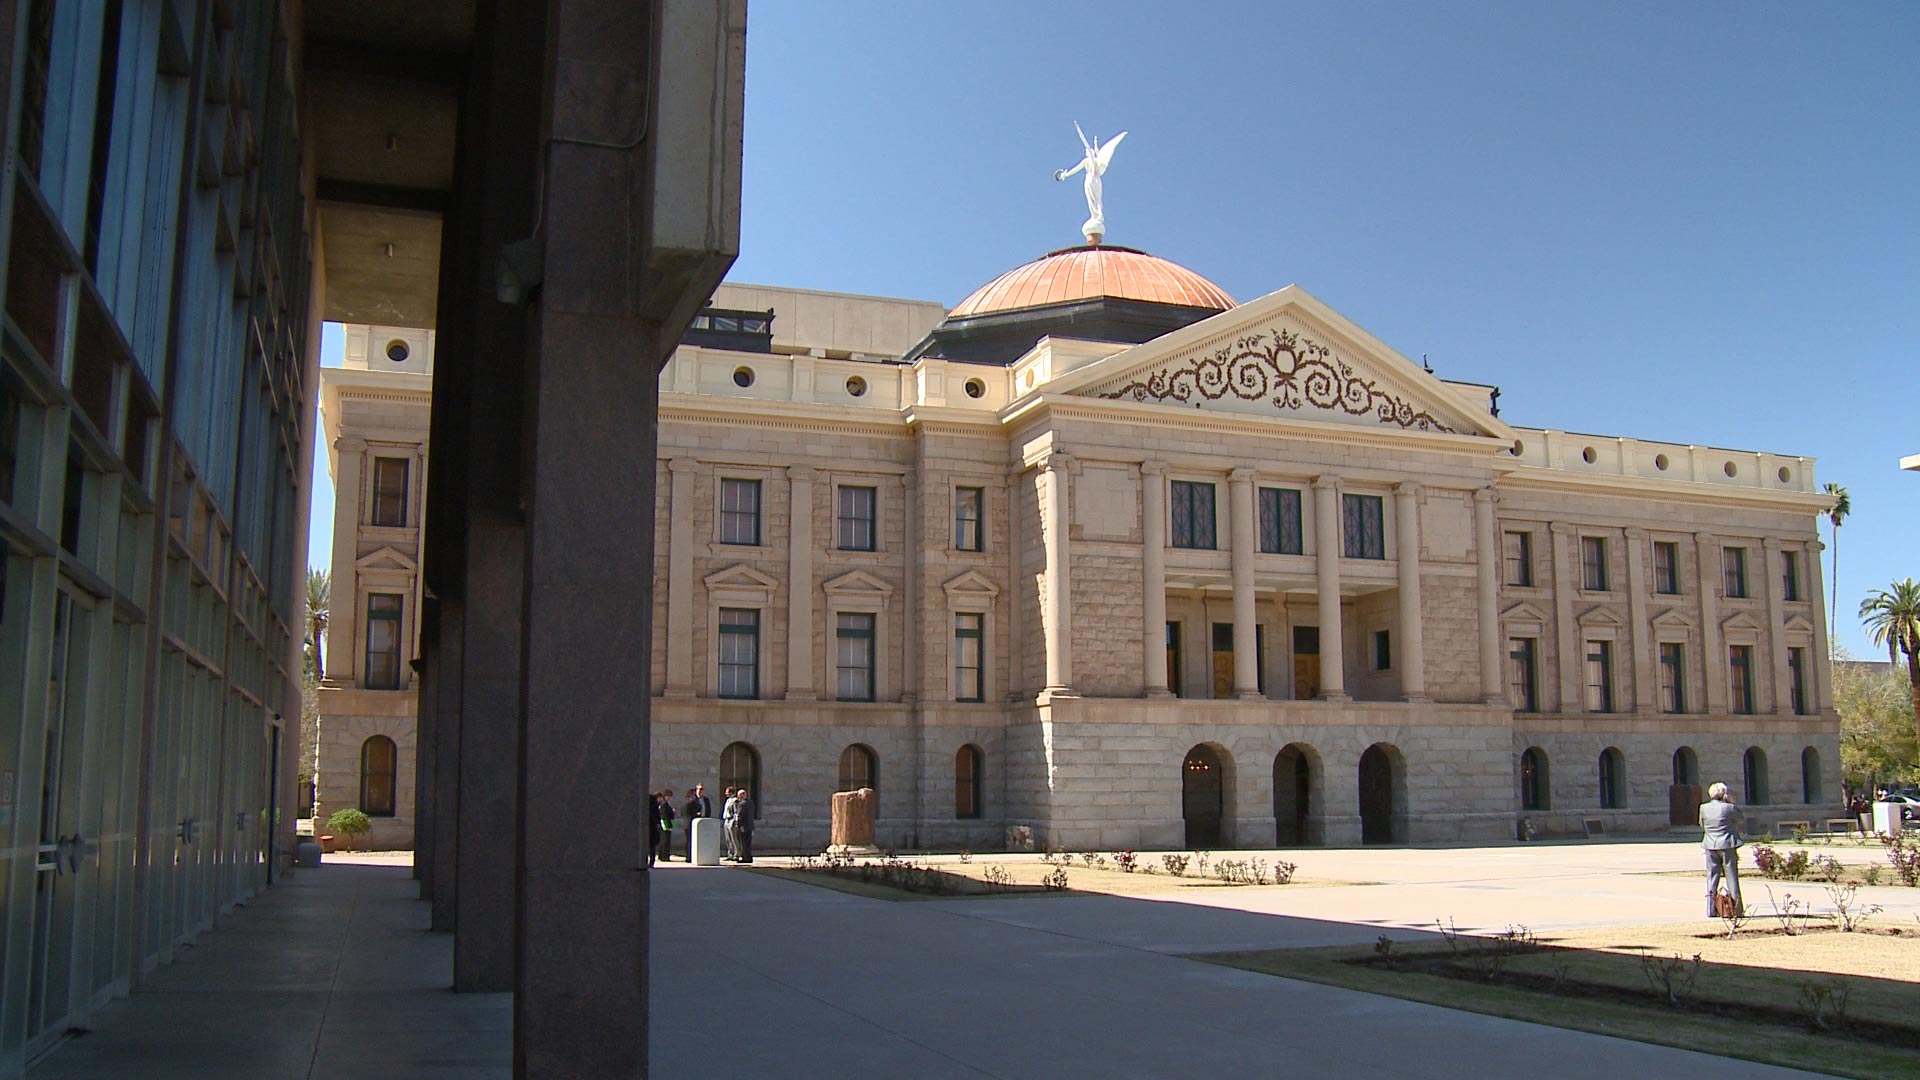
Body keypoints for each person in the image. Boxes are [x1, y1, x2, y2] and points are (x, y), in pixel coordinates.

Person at [1699, 781, 1746, 917]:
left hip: (1710, 844)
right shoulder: (1729, 808)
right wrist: (1732, 803)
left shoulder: (1703, 808)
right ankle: (1736, 909)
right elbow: (1740, 819)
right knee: (1731, 876)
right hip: (1727, 844)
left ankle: (1711, 910)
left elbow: (1702, 824)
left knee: (1711, 877)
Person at [682, 785, 711, 862]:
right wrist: (696, 814)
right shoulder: (691, 802)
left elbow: (708, 810)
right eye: (699, 789)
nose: (701, 791)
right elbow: (688, 813)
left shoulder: (706, 800)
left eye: (702, 789)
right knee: (690, 841)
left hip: (702, 821)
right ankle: (689, 856)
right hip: (692, 823)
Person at [732, 787, 754, 864]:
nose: (738, 797)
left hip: (743, 826)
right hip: (750, 826)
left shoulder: (742, 804)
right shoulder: (750, 803)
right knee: (748, 843)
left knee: (743, 842)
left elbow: (740, 815)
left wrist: (738, 824)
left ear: (742, 795)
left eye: (739, 795)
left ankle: (745, 857)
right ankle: (749, 856)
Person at [655, 789, 677, 864]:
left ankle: (662, 855)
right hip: (666, 824)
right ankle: (665, 856)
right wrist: (669, 826)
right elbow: (665, 816)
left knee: (664, 840)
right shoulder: (664, 805)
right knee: (666, 840)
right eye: (668, 796)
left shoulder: (665, 804)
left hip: (665, 823)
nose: (669, 797)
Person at [721, 787, 739, 861]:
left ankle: (736, 854)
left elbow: (736, 811)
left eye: (727, 792)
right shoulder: (728, 800)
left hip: (731, 820)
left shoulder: (735, 801)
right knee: (728, 839)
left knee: (733, 838)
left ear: (731, 792)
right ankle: (730, 854)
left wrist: (735, 821)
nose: (726, 793)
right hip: (726, 819)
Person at [646, 791, 663, 868]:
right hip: (653, 828)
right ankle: (652, 861)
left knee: (650, 846)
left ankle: (649, 861)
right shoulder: (655, 806)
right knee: (652, 846)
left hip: (650, 828)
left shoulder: (649, 805)